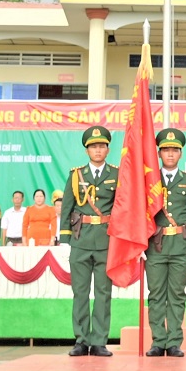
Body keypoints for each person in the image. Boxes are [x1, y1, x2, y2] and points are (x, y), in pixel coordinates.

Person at [58, 125, 117, 358]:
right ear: (86, 150)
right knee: (80, 292)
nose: (97, 150)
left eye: (101, 146)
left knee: (103, 293)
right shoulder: (76, 175)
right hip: (80, 240)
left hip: (106, 241)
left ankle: (100, 340)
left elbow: (122, 208)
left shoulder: (116, 175)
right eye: (93, 147)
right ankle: (81, 340)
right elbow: (67, 207)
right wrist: (64, 240)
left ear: (108, 149)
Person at [144, 128, 186, 358]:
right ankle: (158, 341)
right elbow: (141, 214)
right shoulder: (149, 181)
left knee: (177, 294)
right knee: (156, 294)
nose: (170, 154)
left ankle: (175, 341)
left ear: (181, 153)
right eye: (166, 150)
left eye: (174, 150)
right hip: (155, 246)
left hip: (181, 245)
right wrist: (139, 244)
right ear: (159, 153)